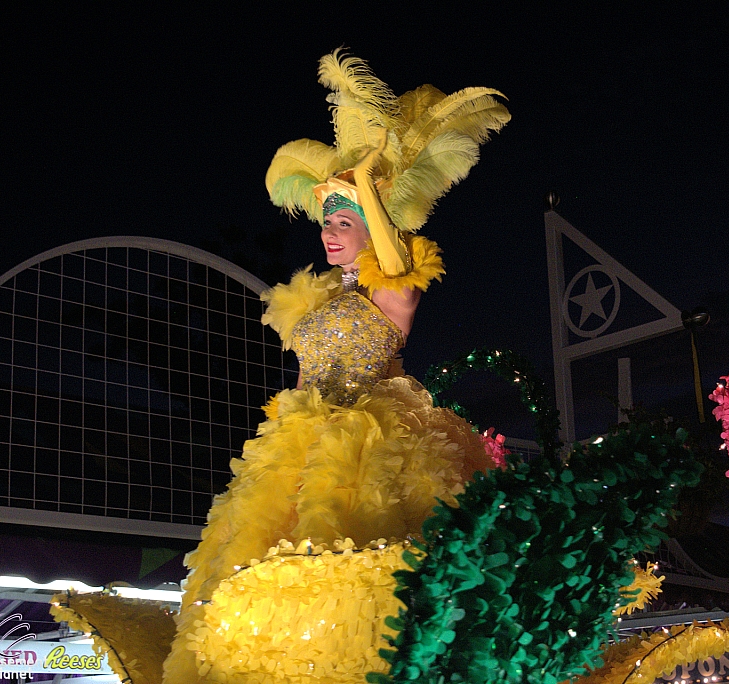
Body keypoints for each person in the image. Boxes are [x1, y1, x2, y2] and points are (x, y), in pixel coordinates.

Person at [155, 51, 510, 683]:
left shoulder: (393, 292)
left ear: (376, 228)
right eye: (326, 222)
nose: (329, 233)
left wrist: (369, 192)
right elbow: (301, 377)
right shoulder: (316, 300)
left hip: (378, 441)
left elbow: (397, 268)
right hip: (304, 443)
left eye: (344, 222)